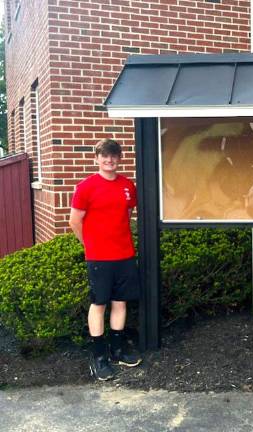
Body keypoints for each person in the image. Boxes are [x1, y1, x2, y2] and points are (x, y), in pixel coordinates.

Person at [69, 138, 142, 381]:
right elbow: (75, 221)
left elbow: (127, 214)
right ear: (96, 159)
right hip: (99, 258)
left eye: (113, 155)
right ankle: (99, 357)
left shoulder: (127, 186)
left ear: (119, 158)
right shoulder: (86, 187)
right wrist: (89, 245)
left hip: (125, 255)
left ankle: (118, 350)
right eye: (104, 155)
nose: (109, 160)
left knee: (120, 303)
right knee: (99, 304)